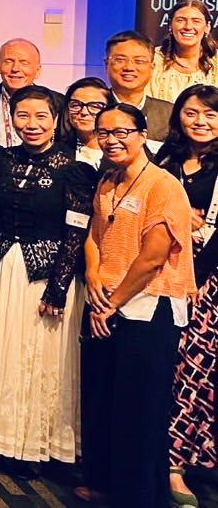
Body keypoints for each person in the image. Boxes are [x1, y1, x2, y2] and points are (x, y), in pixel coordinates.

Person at [0, 85, 93, 476]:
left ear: (56, 120)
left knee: (42, 359)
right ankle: (1, 439)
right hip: (3, 271)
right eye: (22, 116)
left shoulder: (75, 169)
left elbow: (76, 232)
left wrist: (59, 285)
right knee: (4, 353)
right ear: (11, 119)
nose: (31, 124)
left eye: (40, 116)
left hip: (48, 276)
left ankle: (39, 445)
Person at [75, 103, 196, 507]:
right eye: (104, 133)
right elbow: (94, 234)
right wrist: (93, 276)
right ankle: (104, 481)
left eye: (122, 131)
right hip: (106, 299)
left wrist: (113, 302)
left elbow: (152, 256)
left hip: (148, 307)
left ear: (143, 134)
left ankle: (139, 496)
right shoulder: (107, 181)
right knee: (102, 397)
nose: (112, 140)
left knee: (139, 407)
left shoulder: (163, 186)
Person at [163, 85, 218, 508]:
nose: (200, 122)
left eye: (210, 115)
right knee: (170, 368)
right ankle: (170, 462)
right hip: (159, 269)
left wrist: (195, 278)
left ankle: (195, 457)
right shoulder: (164, 158)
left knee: (198, 374)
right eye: (192, 113)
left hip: (205, 280)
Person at [0, 38, 59, 151]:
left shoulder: (58, 102)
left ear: (38, 70)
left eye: (24, 63)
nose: (15, 69)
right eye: (8, 61)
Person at [105, 30, 174, 141]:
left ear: (152, 67)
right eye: (120, 60)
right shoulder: (92, 110)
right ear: (106, 64)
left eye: (139, 61)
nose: (129, 67)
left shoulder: (169, 114)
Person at [151, 0, 218, 104]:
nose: (188, 27)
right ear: (170, 25)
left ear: (207, 27)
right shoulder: (152, 60)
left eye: (196, 21)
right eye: (180, 20)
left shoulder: (216, 62)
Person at [60, 77, 114, 171]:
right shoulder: (58, 152)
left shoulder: (121, 149)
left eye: (94, 106)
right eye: (76, 105)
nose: (84, 112)